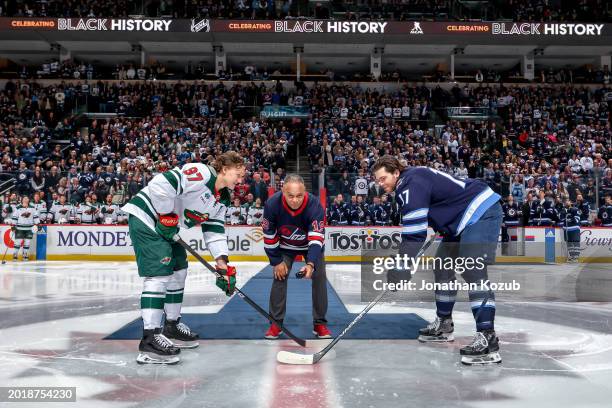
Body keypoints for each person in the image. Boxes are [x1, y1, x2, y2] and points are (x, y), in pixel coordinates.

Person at [372, 155, 502, 365]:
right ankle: (444, 324)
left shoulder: (409, 184)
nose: (380, 184)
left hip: (481, 211)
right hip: (460, 219)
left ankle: (488, 338)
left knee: (472, 268)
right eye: (377, 180)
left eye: (382, 178)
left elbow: (414, 234)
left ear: (396, 172)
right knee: (441, 266)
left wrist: (402, 266)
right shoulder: (410, 181)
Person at [122, 151, 245, 365]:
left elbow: (214, 229)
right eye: (238, 174)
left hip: (168, 228)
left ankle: (171, 326)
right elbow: (161, 183)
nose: (241, 180)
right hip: (147, 218)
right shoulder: (203, 173)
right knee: (159, 274)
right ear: (225, 169)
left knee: (179, 271)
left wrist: (222, 263)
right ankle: (149, 339)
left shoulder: (222, 198)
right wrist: (166, 215)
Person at [262, 174, 331, 340]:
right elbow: (269, 235)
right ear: (283, 191)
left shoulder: (315, 205)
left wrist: (311, 264)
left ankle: (319, 323)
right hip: (285, 246)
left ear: (305, 192)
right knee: (279, 276)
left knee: (319, 277)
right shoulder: (272, 204)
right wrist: (276, 262)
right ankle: (275, 322)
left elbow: (316, 239)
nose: (295, 200)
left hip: (309, 247)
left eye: (299, 196)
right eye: (290, 196)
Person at [11, 196, 39, 261]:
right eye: (24, 198)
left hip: (29, 228)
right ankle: (15, 254)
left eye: (27, 198)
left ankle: (25, 254)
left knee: (27, 242)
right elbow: (15, 217)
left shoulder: (32, 207)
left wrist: (37, 224)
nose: (26, 199)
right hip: (19, 228)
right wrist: (13, 225)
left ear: (29, 200)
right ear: (22, 200)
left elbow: (35, 216)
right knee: (18, 242)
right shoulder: (18, 207)